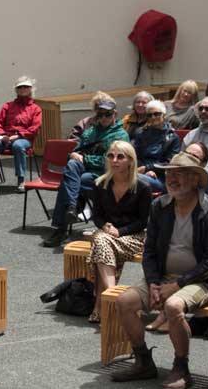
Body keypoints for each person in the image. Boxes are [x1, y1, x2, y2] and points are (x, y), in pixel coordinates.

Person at [110, 153, 208, 389]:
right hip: (162, 277)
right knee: (124, 301)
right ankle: (143, 361)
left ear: (196, 179)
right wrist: (153, 283)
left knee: (173, 306)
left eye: (180, 173)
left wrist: (177, 285)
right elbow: (150, 250)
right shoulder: (159, 206)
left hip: (201, 280)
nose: (172, 179)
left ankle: (181, 368)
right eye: (169, 174)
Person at [42, 98, 127, 247]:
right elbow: (77, 150)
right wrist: (73, 155)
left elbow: (109, 162)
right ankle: (71, 209)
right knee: (72, 166)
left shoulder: (120, 135)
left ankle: (61, 226)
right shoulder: (91, 131)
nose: (104, 118)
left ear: (115, 114)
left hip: (107, 173)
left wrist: (85, 159)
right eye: (100, 115)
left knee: (69, 182)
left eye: (107, 114)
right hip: (83, 170)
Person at [85, 141, 152, 324]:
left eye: (120, 156)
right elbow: (96, 216)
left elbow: (143, 221)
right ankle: (111, 296)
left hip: (135, 237)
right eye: (111, 156)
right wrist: (106, 226)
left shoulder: (143, 187)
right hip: (108, 236)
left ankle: (103, 302)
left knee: (99, 242)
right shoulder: (100, 184)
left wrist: (119, 231)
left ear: (130, 161)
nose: (114, 160)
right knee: (101, 239)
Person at [0, 77, 42, 192]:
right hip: (6, 136)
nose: (23, 89)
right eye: (20, 87)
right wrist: (2, 135)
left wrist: (18, 135)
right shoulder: (7, 106)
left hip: (24, 138)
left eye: (25, 86)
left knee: (18, 146)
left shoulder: (35, 108)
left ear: (30, 89)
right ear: (16, 90)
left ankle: (21, 179)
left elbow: (34, 128)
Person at [132, 99, 181, 189]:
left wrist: (148, 168)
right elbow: (135, 156)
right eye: (150, 115)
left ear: (164, 115)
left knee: (132, 179)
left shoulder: (173, 138)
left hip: (161, 177)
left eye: (157, 114)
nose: (153, 117)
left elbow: (169, 163)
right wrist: (143, 170)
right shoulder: (141, 133)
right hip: (140, 172)